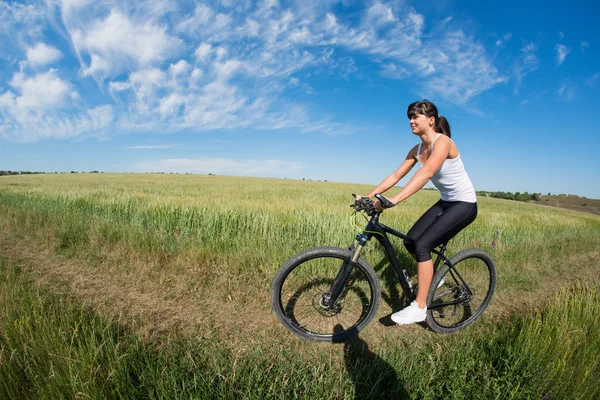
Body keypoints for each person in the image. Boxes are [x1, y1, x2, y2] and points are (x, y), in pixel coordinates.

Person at [357, 100, 477, 325]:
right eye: (409, 117)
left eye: (416, 116)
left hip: (464, 205)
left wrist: (394, 200)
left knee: (423, 246)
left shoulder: (444, 143)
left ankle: (419, 308)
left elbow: (427, 173)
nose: (411, 120)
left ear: (431, 120)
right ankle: (432, 278)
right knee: (411, 242)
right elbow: (395, 176)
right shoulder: (417, 149)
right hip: (445, 202)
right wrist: (370, 196)